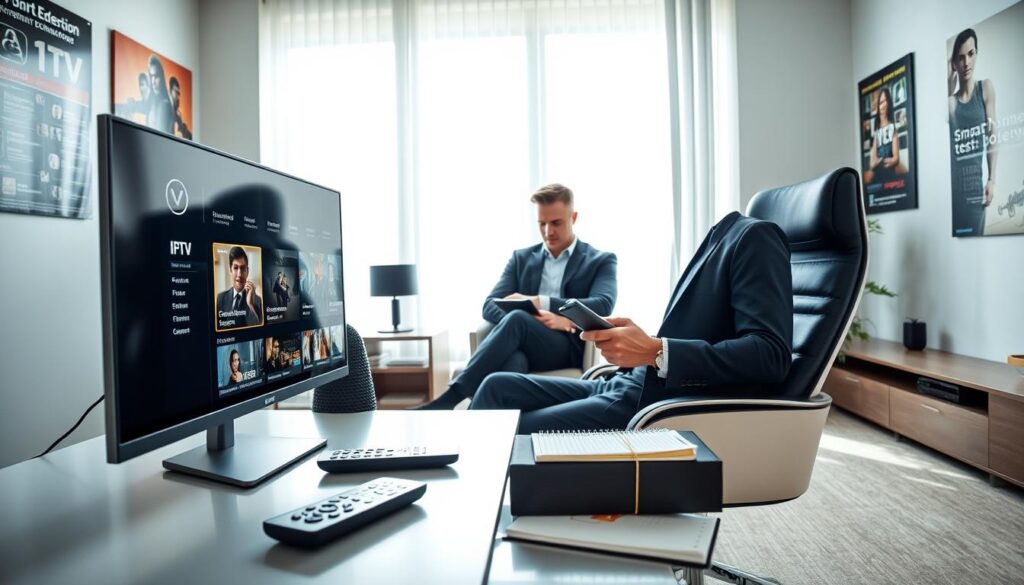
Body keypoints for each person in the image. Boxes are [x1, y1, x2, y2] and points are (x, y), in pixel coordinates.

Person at [468, 211, 793, 432]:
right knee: (496, 385)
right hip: (628, 381)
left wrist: (655, 351)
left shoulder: (755, 238)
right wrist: (638, 347)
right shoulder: (721, 237)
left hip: (649, 402)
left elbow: (769, 356)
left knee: (504, 430)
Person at [416, 183, 617, 410]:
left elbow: (603, 303)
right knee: (514, 358)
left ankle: (450, 399)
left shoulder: (600, 259)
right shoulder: (521, 258)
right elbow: (489, 305)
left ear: (574, 217)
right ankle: (492, 425)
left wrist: (545, 306)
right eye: (542, 224)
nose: (548, 231)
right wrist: (533, 317)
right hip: (522, 341)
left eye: (556, 223)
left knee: (518, 319)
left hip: (567, 346)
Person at [948, 27, 997, 236]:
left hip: (975, 191)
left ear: (976, 54)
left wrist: (992, 180)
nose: (966, 63)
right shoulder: (950, 102)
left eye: (971, 54)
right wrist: (948, 81)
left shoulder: (985, 88)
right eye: (960, 58)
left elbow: (992, 137)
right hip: (952, 194)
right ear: (954, 64)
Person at [864, 87, 905, 184]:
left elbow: (896, 159)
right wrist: (880, 161)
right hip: (878, 177)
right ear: (877, 106)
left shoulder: (893, 128)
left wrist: (883, 161)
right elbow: (872, 163)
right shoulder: (877, 131)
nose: (885, 104)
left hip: (890, 176)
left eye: (886, 101)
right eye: (881, 102)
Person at [216, 246, 263, 326]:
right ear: (230, 270)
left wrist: (250, 305)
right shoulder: (220, 298)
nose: (239, 274)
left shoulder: (257, 300)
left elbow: (257, 329)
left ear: (247, 271)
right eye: (235, 268)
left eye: (242, 268)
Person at [146, 54, 174, 134]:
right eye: (151, 76)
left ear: (161, 77)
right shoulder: (153, 102)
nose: (153, 81)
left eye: (156, 76)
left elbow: (158, 139)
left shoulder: (164, 104)